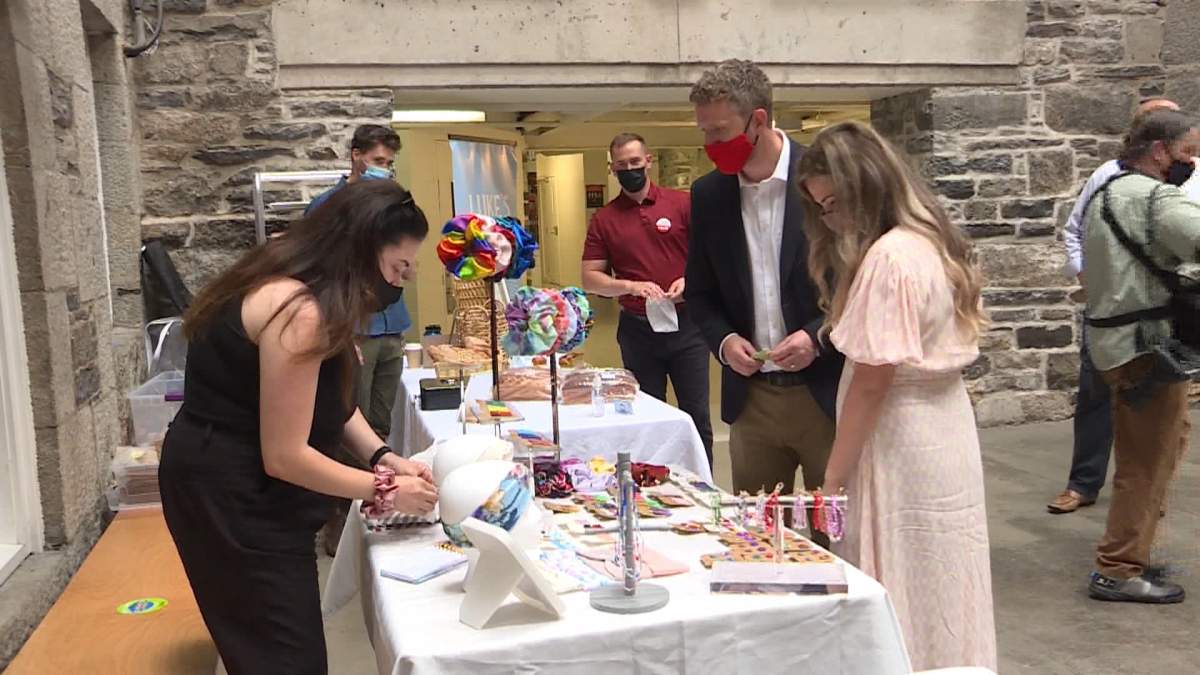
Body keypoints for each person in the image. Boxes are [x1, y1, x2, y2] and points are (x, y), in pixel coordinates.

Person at [160, 180, 439, 674]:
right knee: (284, 655)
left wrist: (382, 456)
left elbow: (330, 402)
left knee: (280, 645)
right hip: (231, 495)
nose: (405, 278)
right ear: (361, 249)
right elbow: (285, 454)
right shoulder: (299, 311)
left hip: (239, 481)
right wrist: (385, 490)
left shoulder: (297, 281)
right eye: (400, 266)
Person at [798, 121, 996, 670]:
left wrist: (833, 478)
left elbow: (871, 381)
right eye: (822, 208)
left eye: (835, 204)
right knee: (944, 574)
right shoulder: (931, 239)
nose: (831, 219)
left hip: (900, 438)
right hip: (944, 429)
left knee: (901, 572)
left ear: (865, 187)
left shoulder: (889, 258)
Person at [685, 60, 843, 540]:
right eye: (704, 133)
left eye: (720, 132)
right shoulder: (709, 195)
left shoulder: (824, 180)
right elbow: (700, 293)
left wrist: (819, 336)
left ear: (758, 119)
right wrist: (724, 341)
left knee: (834, 536)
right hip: (751, 402)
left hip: (827, 394)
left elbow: (859, 284)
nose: (711, 146)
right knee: (755, 537)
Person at [1050, 97, 1200, 515]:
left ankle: (1149, 499)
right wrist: (1092, 281)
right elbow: (1077, 229)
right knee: (1096, 398)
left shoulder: (1193, 176)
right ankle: (1085, 485)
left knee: (1167, 421)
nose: (1190, 157)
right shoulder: (1110, 176)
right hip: (1116, 307)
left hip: (1171, 314)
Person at [1082, 109, 1199, 604]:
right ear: (1159, 151)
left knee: (1160, 449)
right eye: (1187, 152)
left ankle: (1135, 551)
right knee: (1145, 463)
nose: (1191, 162)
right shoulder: (1156, 198)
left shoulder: (1106, 194)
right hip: (1146, 348)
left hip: (1116, 344)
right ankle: (1118, 569)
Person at [305, 124, 412, 554]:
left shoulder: (392, 204)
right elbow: (316, 272)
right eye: (378, 162)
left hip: (392, 328)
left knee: (381, 427)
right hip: (354, 331)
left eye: (390, 164)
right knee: (348, 425)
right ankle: (340, 527)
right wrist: (339, 329)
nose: (384, 171)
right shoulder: (327, 207)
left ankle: (373, 514)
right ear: (355, 155)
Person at [581, 133, 713, 465]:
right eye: (622, 165)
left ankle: (703, 483)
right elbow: (591, 277)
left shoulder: (682, 204)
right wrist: (629, 286)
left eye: (635, 163)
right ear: (612, 169)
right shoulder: (604, 220)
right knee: (646, 416)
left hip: (688, 328)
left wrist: (690, 278)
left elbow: (711, 257)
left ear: (649, 161)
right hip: (638, 331)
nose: (630, 170)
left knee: (696, 414)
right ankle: (652, 486)